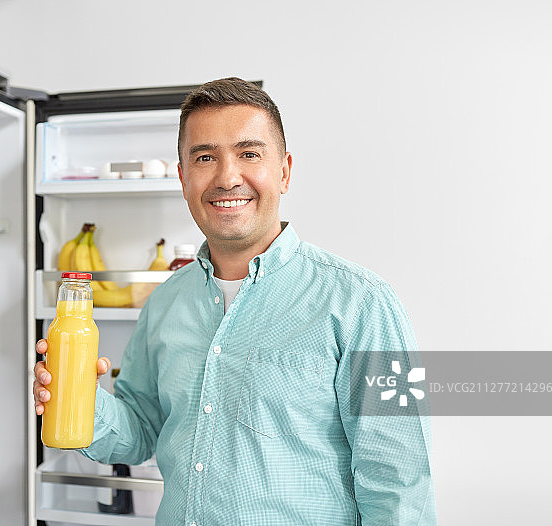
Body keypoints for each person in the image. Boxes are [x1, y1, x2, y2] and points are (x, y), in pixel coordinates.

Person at [34, 78, 437, 525]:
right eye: (205, 157)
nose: (227, 177)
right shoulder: (164, 302)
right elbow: (140, 432)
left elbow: (400, 484)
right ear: (183, 177)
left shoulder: (367, 303)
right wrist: (80, 399)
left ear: (284, 171)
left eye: (249, 154)